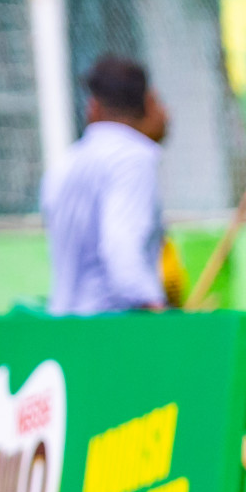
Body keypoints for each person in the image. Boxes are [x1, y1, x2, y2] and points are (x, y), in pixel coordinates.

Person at [40, 55, 170, 315]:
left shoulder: (67, 162)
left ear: (93, 107)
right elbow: (121, 245)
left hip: (64, 322)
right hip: (112, 327)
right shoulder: (133, 159)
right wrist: (152, 305)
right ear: (150, 101)